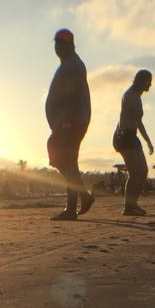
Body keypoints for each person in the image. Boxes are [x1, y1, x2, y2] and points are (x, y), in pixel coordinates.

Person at [45, 28, 93, 221]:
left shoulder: (74, 65)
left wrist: (63, 120)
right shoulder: (68, 64)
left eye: (63, 43)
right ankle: (81, 198)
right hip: (69, 120)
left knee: (60, 156)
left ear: (72, 45)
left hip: (71, 121)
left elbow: (71, 95)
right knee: (68, 161)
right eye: (56, 42)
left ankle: (74, 205)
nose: (58, 46)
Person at [112, 69, 154, 215]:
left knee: (143, 172)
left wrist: (148, 140)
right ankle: (128, 207)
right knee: (135, 173)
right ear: (141, 81)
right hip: (123, 136)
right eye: (148, 81)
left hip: (132, 136)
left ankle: (133, 204)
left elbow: (138, 122)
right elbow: (129, 118)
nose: (150, 84)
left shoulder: (137, 96)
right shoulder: (130, 95)